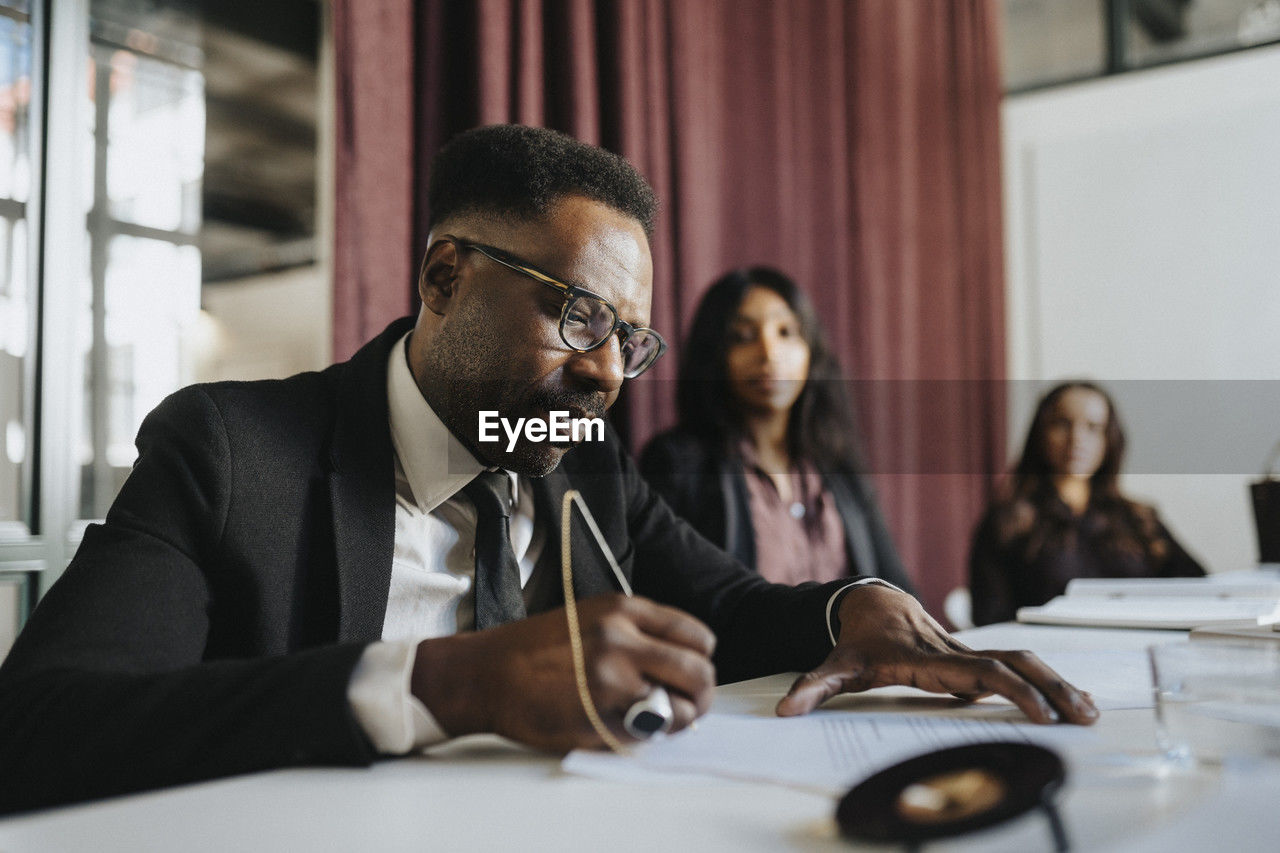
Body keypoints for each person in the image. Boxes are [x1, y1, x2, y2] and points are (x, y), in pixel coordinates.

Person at [0, 125, 1096, 815]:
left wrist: (859, 606)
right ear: (443, 275)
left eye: (632, 337)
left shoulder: (576, 463)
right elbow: (40, 727)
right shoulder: (232, 452)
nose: (611, 372)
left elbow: (730, 605)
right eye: (580, 317)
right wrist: (450, 681)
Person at [640, 267, 913, 592]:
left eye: (785, 332)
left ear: (811, 350)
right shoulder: (677, 463)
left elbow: (898, 591)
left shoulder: (837, 462)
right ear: (714, 355)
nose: (769, 354)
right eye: (742, 337)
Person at [968, 381, 1206, 626]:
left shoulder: (1138, 518)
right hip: (1049, 658)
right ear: (1040, 434)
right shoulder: (1008, 523)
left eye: (1093, 427)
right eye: (1062, 424)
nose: (1077, 438)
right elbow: (990, 618)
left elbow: (1197, 585)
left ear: (1109, 439)